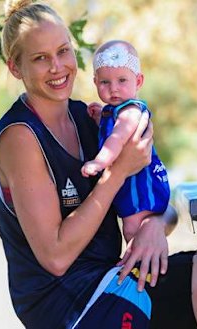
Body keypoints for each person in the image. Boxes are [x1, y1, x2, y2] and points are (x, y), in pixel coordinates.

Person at [0, 0, 197, 328]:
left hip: (115, 276)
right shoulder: (21, 138)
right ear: (15, 68)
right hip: (74, 306)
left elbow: (161, 204)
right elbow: (56, 256)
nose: (57, 67)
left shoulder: (95, 119)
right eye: (40, 58)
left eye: (63, 51)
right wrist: (118, 171)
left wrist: (153, 227)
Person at [81, 40, 169, 243]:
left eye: (122, 80)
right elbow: (113, 128)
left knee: (132, 229)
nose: (114, 89)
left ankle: (139, 266)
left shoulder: (131, 110)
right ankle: (138, 265)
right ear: (95, 82)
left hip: (139, 186)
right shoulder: (114, 111)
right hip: (129, 181)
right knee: (132, 229)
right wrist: (100, 117)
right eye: (105, 83)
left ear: (138, 81)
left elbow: (118, 137)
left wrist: (99, 162)